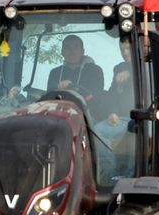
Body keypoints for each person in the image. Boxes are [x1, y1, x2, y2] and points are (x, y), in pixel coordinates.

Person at [92, 40, 135, 182]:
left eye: (128, 49)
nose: (125, 53)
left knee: (136, 129)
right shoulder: (119, 68)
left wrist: (131, 72)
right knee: (97, 131)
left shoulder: (151, 65)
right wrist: (112, 111)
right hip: (123, 118)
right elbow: (111, 94)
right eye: (122, 49)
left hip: (148, 118)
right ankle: (110, 174)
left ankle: (131, 176)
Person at [47, 35, 105, 104]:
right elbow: (49, 96)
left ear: (82, 51)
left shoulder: (95, 71)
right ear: (62, 52)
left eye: (75, 47)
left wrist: (71, 86)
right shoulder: (55, 72)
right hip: (58, 111)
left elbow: (96, 97)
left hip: (86, 112)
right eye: (68, 48)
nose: (71, 51)